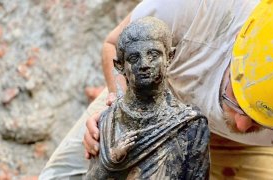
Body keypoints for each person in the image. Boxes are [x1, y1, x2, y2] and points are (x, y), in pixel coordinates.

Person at [40, 0, 273, 179]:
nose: (242, 125)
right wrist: (118, 114)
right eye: (238, 101)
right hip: (153, 99)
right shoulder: (199, 9)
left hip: (252, 151)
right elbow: (113, 44)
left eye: (266, 120)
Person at [86, 17, 209, 179]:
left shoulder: (189, 124)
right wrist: (110, 164)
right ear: (120, 66)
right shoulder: (108, 123)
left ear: (169, 57)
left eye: (153, 55)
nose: (144, 64)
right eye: (134, 58)